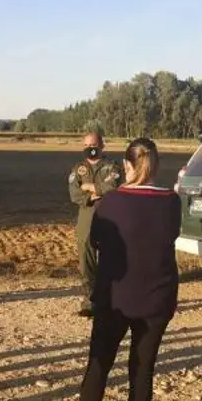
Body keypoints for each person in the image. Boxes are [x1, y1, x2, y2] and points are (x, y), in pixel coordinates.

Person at [54, 137, 181, 401]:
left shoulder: (111, 202)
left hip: (115, 299)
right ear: (156, 166)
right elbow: (170, 237)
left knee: (99, 364)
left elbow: (96, 241)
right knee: (142, 371)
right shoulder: (171, 201)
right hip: (156, 300)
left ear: (126, 166)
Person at [67, 131, 123, 317]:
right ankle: (89, 301)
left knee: (109, 260)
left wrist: (90, 187)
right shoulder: (78, 168)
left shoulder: (111, 166)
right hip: (86, 217)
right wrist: (97, 192)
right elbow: (75, 194)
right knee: (86, 261)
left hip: (110, 216)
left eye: (94, 145)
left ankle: (110, 301)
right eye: (86, 145)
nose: (90, 149)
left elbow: (113, 186)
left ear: (102, 146)